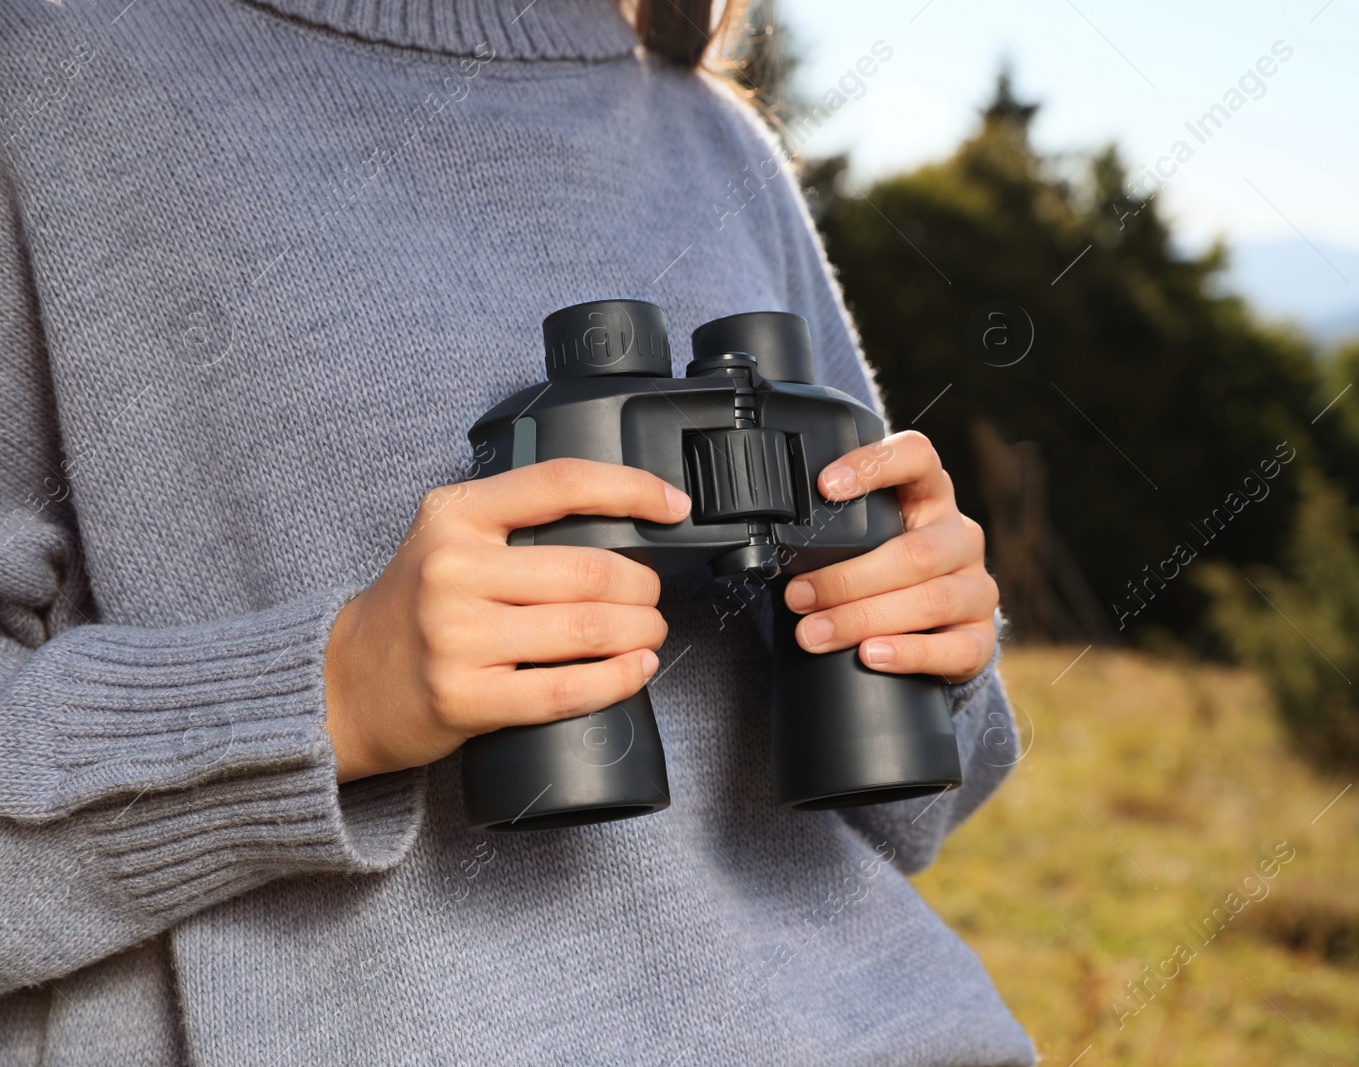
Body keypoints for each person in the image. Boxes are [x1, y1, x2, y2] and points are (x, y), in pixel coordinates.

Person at [0, 0, 1035, 1062]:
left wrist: (931, 638)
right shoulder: (49, 71)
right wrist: (332, 695)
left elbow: (914, 813)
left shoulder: (711, 135)